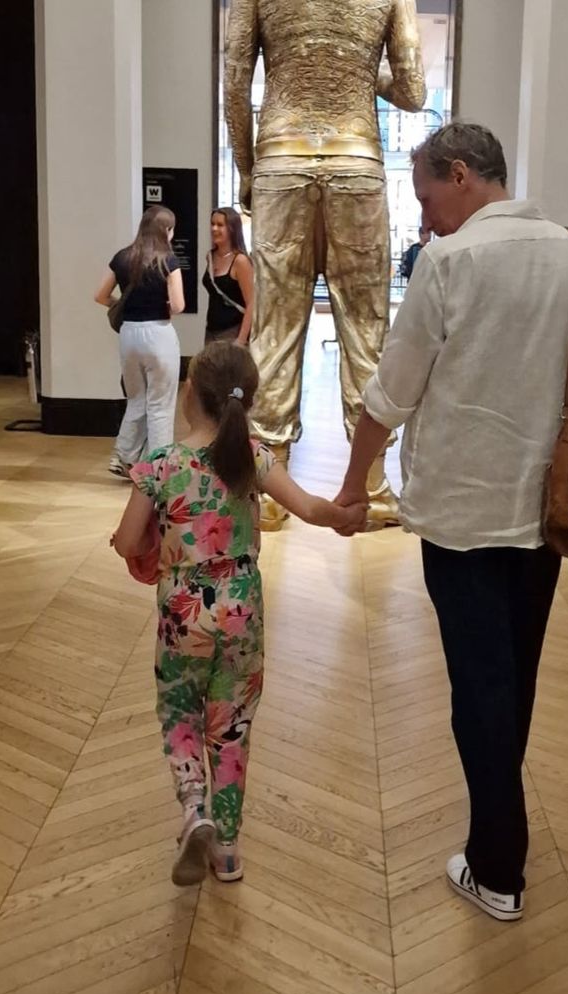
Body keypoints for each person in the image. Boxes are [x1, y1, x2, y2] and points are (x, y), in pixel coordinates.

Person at [335, 123, 568, 921]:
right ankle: (494, 838)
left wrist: (351, 487)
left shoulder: (449, 261)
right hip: (548, 511)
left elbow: (389, 395)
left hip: (462, 515)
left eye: (427, 195)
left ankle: (498, 866)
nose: (423, 216)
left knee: (480, 685)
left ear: (461, 176)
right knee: (513, 675)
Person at [112, 341, 366, 886]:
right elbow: (311, 509)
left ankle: (193, 808)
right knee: (231, 728)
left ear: (189, 396)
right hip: (243, 613)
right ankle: (227, 850)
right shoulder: (252, 455)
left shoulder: (159, 464)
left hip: (183, 618)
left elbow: (129, 539)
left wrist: (130, 542)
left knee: (180, 713)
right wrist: (347, 512)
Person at [225, 0, 425, 530]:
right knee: (366, 331)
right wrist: (356, 63)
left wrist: (247, 167)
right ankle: (374, 489)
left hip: (280, 159)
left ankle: (269, 492)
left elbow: (235, 82)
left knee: (273, 331)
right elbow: (413, 91)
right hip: (357, 161)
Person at [95, 206, 184, 478]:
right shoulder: (168, 261)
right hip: (159, 334)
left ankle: (123, 456)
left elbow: (100, 296)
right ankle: (159, 468)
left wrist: (124, 304)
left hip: (129, 334)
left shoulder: (122, 257)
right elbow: (179, 305)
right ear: (166, 230)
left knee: (136, 400)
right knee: (160, 403)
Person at [202, 207, 254, 346]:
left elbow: (251, 303)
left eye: (220, 225)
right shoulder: (210, 257)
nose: (214, 229)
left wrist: (241, 339)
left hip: (233, 332)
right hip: (211, 331)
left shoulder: (240, 261)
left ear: (232, 228)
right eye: (212, 224)